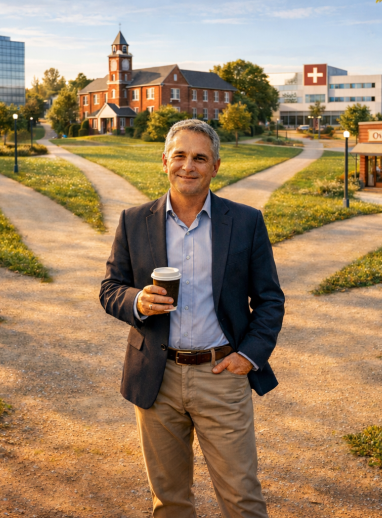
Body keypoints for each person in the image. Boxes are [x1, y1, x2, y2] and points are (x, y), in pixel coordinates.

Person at [100, 119, 285, 517]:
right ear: (164, 160)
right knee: (169, 502)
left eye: (200, 158)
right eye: (180, 156)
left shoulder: (246, 221)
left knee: (242, 498)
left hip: (221, 375)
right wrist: (136, 301)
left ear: (215, 166)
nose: (189, 166)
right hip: (156, 376)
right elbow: (110, 288)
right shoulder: (134, 220)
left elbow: (269, 300)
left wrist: (249, 355)